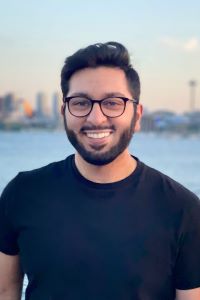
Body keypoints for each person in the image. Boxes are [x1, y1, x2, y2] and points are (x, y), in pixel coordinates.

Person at [0, 42, 200, 300]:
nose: (96, 118)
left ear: (137, 116)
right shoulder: (22, 194)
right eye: (81, 103)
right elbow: (5, 291)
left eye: (113, 103)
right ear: (64, 113)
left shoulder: (182, 210)